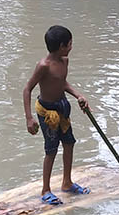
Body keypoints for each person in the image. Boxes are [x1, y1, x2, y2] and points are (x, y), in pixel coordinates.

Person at [23, 25, 90, 205]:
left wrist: (79, 95)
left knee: (69, 143)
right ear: (61, 46)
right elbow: (27, 89)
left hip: (62, 107)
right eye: (69, 44)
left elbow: (62, 83)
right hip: (47, 112)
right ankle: (46, 189)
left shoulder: (64, 61)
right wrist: (29, 118)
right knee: (51, 149)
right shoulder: (43, 66)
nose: (71, 46)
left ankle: (67, 183)